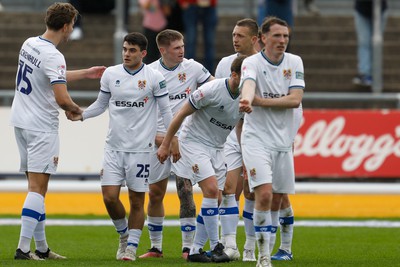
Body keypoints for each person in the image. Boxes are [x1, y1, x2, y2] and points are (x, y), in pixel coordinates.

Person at [66, 32, 177, 261]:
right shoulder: (110, 74)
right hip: (113, 148)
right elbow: (101, 104)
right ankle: (123, 235)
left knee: (137, 200)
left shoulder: (154, 77)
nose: (127, 53)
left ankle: (131, 248)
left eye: (132, 50)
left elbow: (166, 112)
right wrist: (83, 115)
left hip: (141, 150)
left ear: (143, 53)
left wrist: (170, 140)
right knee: (109, 197)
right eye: (125, 49)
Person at [10, 2, 105, 260]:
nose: (71, 29)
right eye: (72, 25)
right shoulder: (54, 55)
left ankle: (41, 248)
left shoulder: (29, 43)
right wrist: (78, 110)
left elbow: (51, 75)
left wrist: (86, 73)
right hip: (41, 127)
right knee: (37, 189)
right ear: (65, 26)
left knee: (36, 187)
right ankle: (22, 249)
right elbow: (62, 98)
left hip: (20, 121)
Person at [157, 55, 247, 263]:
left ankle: (196, 249)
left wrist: (245, 153)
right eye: (244, 76)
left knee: (215, 198)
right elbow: (180, 114)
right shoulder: (211, 90)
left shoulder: (246, 95)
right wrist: (166, 143)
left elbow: (241, 125)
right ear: (234, 74)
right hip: (194, 142)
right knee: (212, 190)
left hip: (218, 147)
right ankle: (216, 246)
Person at [139, 29, 213, 259]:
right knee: (155, 193)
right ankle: (156, 248)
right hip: (159, 139)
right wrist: (164, 140)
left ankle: (187, 249)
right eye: (177, 48)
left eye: (182, 46)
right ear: (163, 50)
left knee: (185, 191)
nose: (182, 51)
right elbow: (140, 114)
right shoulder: (149, 73)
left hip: (187, 139)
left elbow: (214, 89)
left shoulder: (193, 68)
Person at [239, 16, 305, 267]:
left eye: (286, 36)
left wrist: (259, 101)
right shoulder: (251, 62)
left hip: (283, 140)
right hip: (256, 138)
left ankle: (284, 248)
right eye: (277, 36)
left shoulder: (294, 61)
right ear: (263, 38)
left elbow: (294, 99)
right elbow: (248, 84)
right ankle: (263, 256)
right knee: (263, 194)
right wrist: (247, 99)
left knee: (279, 199)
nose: (282, 41)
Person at [214, 18, 259, 262]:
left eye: (240, 35)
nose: (234, 39)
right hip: (230, 133)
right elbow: (217, 92)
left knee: (253, 191)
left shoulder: (264, 65)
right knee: (228, 189)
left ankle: (251, 246)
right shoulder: (224, 64)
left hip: (258, 134)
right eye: (233, 34)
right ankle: (230, 244)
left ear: (254, 39)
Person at [352, 0, 388, 87]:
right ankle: (365, 73)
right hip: (362, 9)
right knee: (364, 42)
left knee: (375, 43)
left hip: (379, 10)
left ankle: (374, 73)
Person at [178, 0, 218, 73]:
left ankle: (209, 74)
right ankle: (189, 72)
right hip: (191, 5)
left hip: (209, 5)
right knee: (191, 41)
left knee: (209, 42)